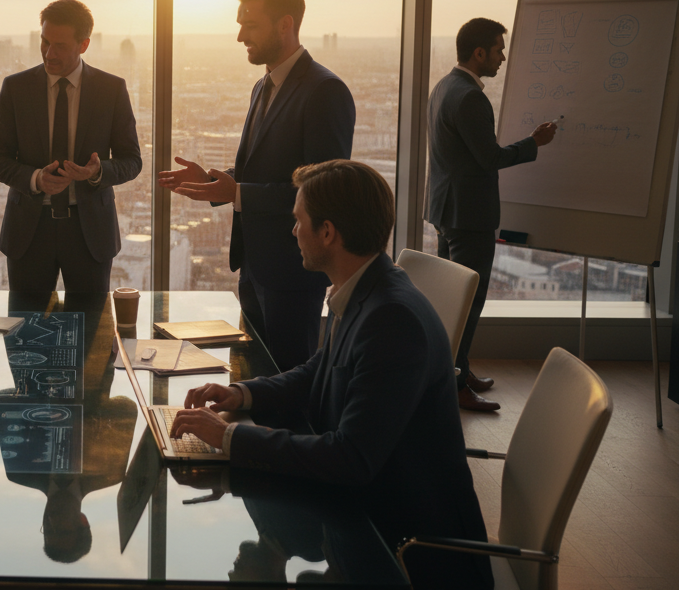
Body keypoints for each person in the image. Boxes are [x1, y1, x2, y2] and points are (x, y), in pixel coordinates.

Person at [168, 160, 491, 590]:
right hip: (365, 516)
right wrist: (241, 395)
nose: (293, 231)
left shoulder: (391, 320)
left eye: (299, 221)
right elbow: (319, 370)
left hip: (403, 550)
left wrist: (229, 438)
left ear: (327, 233)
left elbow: (350, 459)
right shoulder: (368, 288)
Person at [159, 0, 354, 371]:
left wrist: (239, 193)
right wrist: (219, 183)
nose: (239, 36)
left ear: (285, 24)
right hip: (256, 265)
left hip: (293, 269)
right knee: (254, 377)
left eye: (250, 24)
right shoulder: (263, 86)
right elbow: (264, 170)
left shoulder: (325, 90)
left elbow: (321, 191)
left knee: (287, 381)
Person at [428, 17, 557, 412]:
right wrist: (533, 143)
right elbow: (489, 158)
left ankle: (458, 370)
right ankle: (454, 383)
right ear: (479, 52)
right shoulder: (469, 96)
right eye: (499, 49)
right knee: (469, 301)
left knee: (453, 300)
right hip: (469, 216)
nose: (502, 57)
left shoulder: (444, 87)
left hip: (446, 209)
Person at [0, 0, 141, 296]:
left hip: (90, 233)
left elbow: (132, 160)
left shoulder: (111, 89)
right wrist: (36, 179)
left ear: (83, 45)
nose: (48, 52)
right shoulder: (15, 88)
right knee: (26, 333)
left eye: (59, 45)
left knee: (90, 333)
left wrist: (97, 173)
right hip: (29, 231)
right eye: (44, 42)